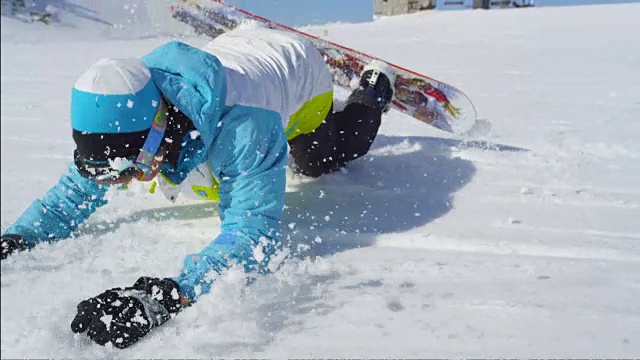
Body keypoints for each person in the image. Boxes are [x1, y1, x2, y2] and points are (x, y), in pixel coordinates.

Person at [0, 26, 396, 349]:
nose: (114, 180)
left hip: (298, 69)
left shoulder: (244, 127)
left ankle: (372, 92)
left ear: (158, 130)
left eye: (124, 168)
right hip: (237, 48)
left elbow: (252, 233)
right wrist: (19, 236)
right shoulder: (129, 108)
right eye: (99, 169)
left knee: (319, 159)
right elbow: (72, 195)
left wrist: (168, 296)